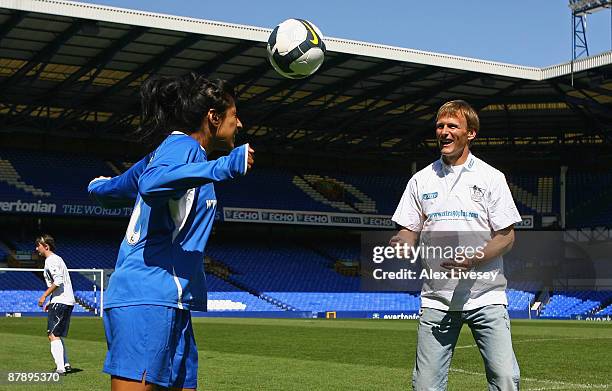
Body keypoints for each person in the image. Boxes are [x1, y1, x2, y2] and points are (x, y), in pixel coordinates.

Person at [88, 73, 254, 391]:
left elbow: (124, 184)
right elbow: (150, 184)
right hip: (147, 295)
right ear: (213, 117)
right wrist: (223, 167)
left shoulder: (171, 156)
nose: (240, 124)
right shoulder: (182, 148)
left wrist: (98, 188)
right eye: (235, 115)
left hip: (172, 300)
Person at [390, 100, 521, 390]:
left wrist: (474, 257)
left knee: (505, 378)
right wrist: (403, 242)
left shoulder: (491, 178)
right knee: (425, 385)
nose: (444, 132)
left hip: (485, 296)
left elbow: (507, 236)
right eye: (440, 126)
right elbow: (409, 230)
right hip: (437, 300)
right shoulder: (420, 180)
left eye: (452, 126)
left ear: (470, 133)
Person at [36, 234, 75, 375]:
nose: (36, 248)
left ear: (46, 246)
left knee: (52, 334)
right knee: (56, 334)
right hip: (64, 300)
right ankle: (65, 364)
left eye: (38, 245)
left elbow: (58, 281)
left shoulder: (51, 260)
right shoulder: (58, 259)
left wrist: (44, 296)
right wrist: (51, 301)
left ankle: (60, 368)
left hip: (61, 301)